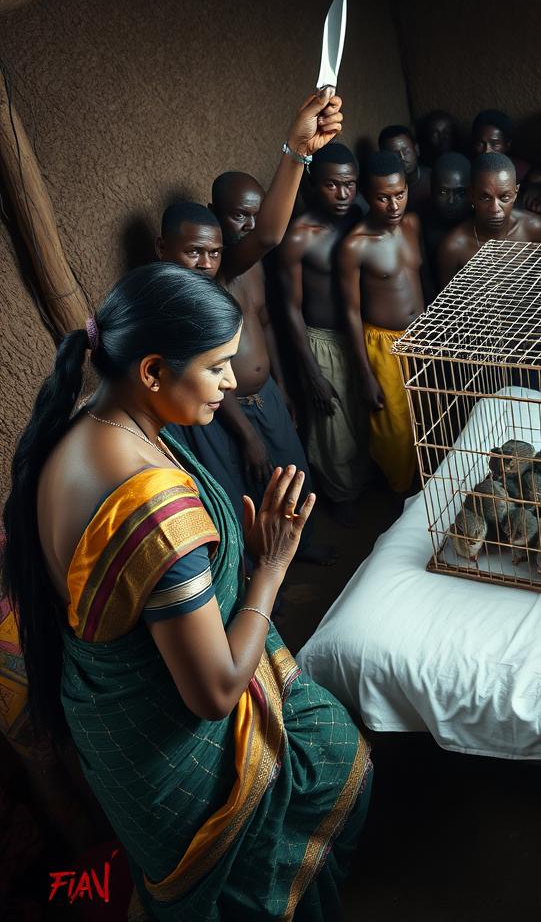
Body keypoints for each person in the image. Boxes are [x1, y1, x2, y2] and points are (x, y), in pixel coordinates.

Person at [2, 262, 372, 920]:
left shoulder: (82, 424)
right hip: (172, 756)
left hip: (112, 734)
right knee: (332, 763)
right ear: (152, 372)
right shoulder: (149, 510)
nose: (231, 381)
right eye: (217, 365)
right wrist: (272, 566)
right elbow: (214, 694)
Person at [278, 143, 368, 522]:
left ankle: (362, 486)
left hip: (360, 336)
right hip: (321, 341)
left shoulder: (359, 217)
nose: (343, 194)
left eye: (350, 184)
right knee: (332, 427)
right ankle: (342, 497)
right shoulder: (300, 235)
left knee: (363, 418)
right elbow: (289, 308)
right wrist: (312, 373)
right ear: (314, 184)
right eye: (333, 185)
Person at [338, 152, 424, 494]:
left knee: (428, 417)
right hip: (384, 344)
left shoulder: (413, 225)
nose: (393, 205)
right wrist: (365, 374)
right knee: (394, 431)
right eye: (382, 197)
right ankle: (400, 497)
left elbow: (421, 279)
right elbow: (350, 312)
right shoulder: (355, 245)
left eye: (399, 194)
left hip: (424, 336)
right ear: (365, 195)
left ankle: (427, 489)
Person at [436, 152, 541, 288]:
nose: (495, 209)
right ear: (472, 195)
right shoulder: (454, 247)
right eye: (485, 197)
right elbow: (447, 304)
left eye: (504, 197)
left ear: (515, 193)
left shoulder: (534, 228)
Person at [419, 151, 472, 294]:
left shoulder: (481, 220)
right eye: (443, 192)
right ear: (431, 189)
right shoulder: (420, 222)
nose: (451, 201)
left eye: (460, 193)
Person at [379, 123, 431, 218]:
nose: (402, 158)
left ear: (417, 150)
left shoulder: (433, 179)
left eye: (406, 152)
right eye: (395, 155)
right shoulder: (383, 190)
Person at [469, 109, 531, 182]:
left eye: (494, 144)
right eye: (480, 144)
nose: (487, 150)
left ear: (507, 145)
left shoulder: (522, 173)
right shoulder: (468, 170)